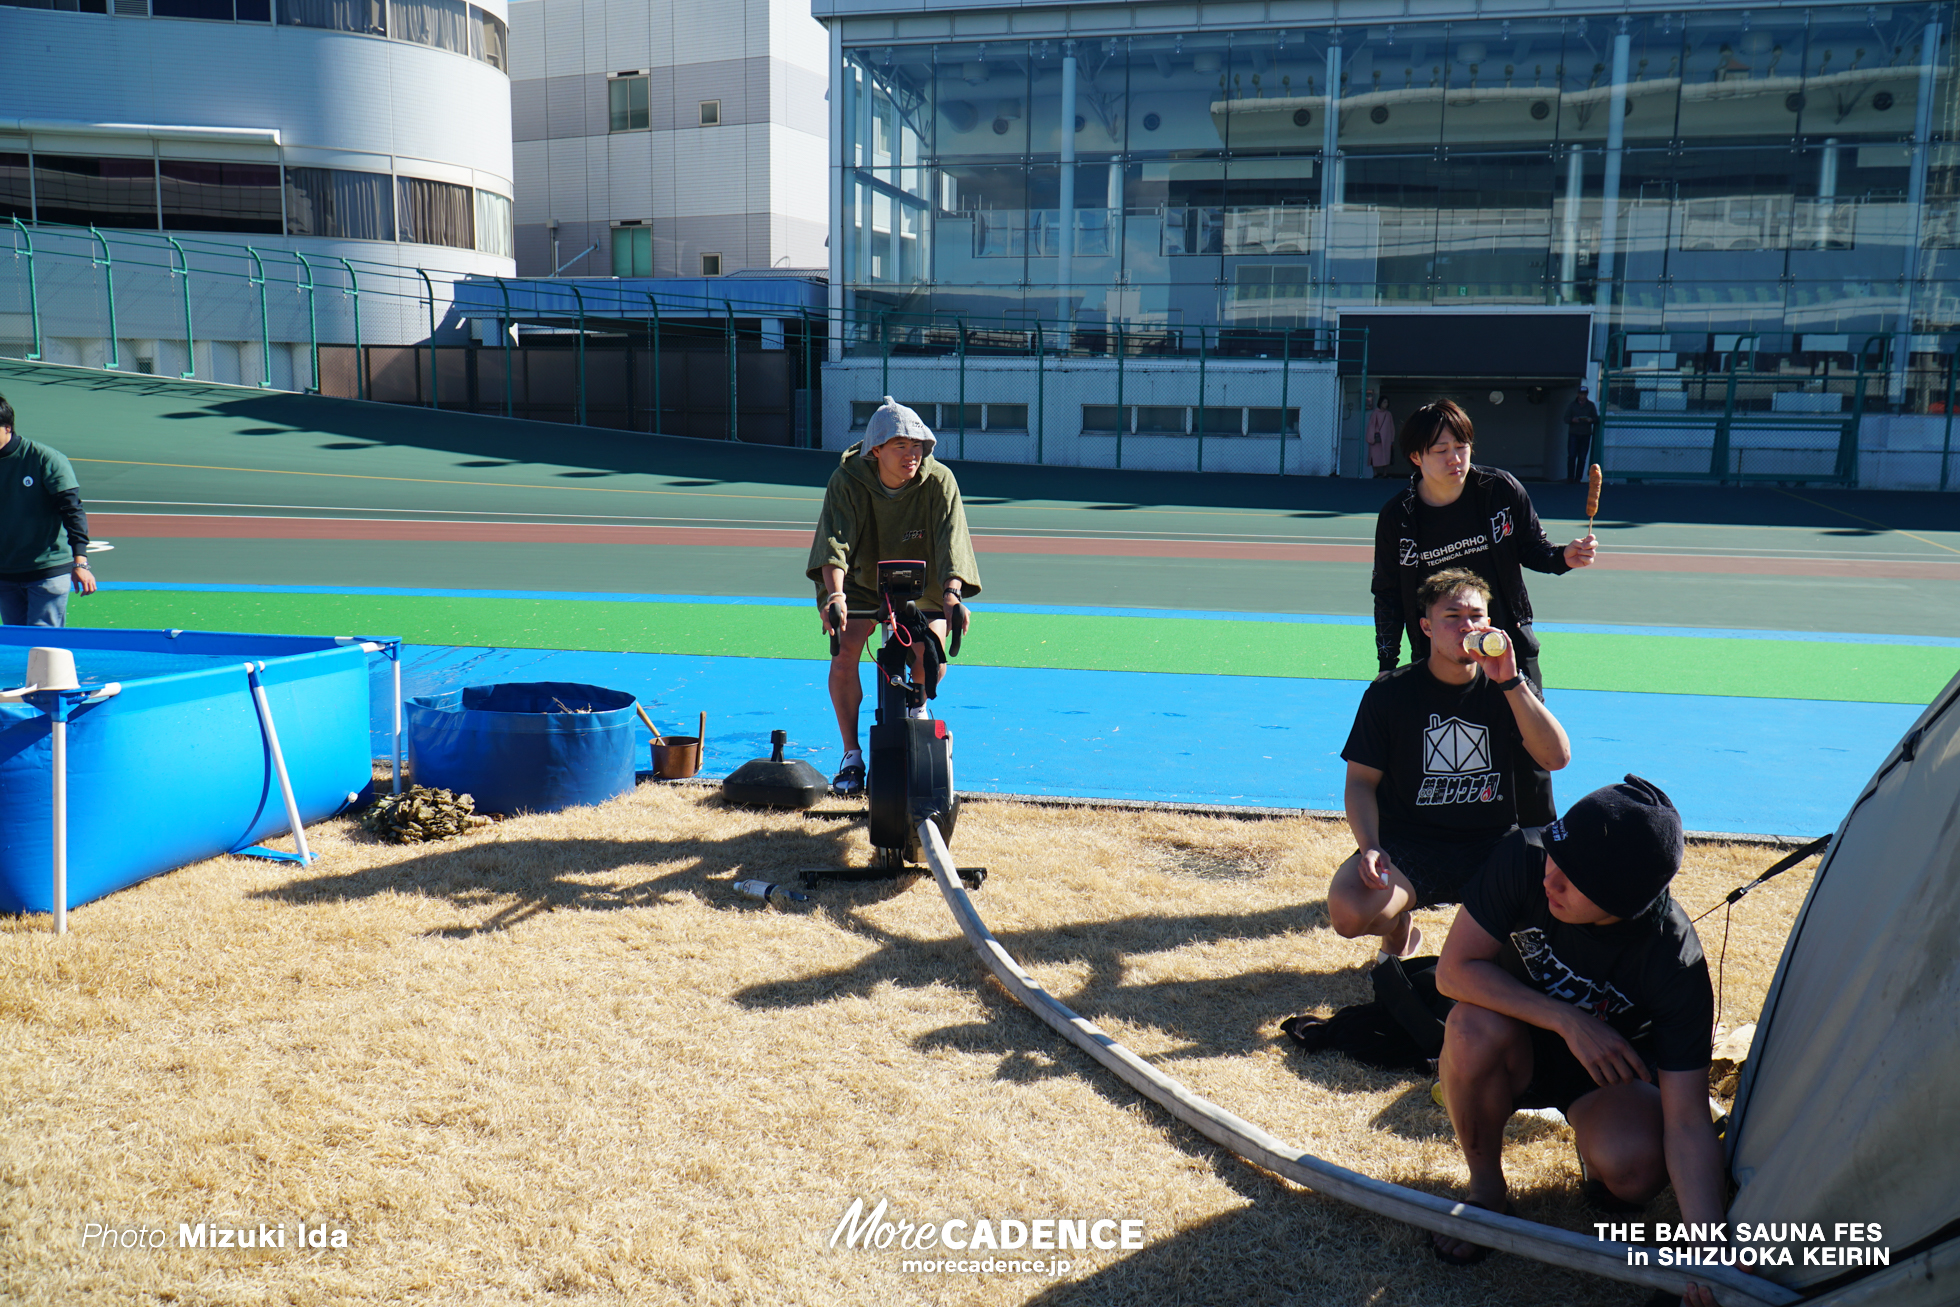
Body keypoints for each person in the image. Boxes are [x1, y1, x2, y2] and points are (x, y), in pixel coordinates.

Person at [1428, 776, 1726, 1276]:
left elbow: (1689, 1120)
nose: (1550, 879)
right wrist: (1567, 1019)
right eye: (1553, 854)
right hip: (1510, 1040)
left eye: (1574, 878)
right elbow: (1452, 971)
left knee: (1634, 1167)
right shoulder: (1522, 858)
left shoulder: (1674, 961)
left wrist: (1711, 1254)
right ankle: (1487, 1192)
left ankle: (1595, 1155)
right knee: (1468, 1028)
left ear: (1622, 901)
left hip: (1607, 1079)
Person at [1371, 399, 1596, 824]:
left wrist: (1565, 556)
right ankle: (1447, 845)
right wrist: (1388, 663)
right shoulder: (1398, 517)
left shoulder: (1499, 490)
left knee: (1529, 750)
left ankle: (1538, 854)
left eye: (1462, 446)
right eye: (1441, 450)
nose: (1455, 458)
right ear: (1416, 457)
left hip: (1507, 646)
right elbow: (1386, 592)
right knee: (1448, 752)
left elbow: (1533, 548)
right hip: (1438, 657)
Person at [1330, 568, 1571, 962]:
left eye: (1476, 616)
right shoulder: (1389, 693)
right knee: (1350, 912)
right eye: (1452, 617)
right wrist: (1370, 847)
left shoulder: (1509, 686)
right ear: (1426, 626)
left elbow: (1556, 758)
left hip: (1494, 844)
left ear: (1490, 624)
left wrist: (1511, 682)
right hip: (1412, 842)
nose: (1467, 626)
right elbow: (1359, 782)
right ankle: (1398, 936)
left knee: (1545, 921)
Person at [807, 397, 980, 797]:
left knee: (931, 655)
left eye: (917, 445)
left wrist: (953, 594)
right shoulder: (847, 481)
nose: (911, 454)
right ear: (877, 450)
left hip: (924, 584)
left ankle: (918, 710)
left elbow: (953, 542)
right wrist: (834, 595)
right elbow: (835, 543)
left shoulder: (939, 481)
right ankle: (851, 755)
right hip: (861, 583)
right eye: (900, 446)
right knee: (844, 654)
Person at [0, 392, 96, 627]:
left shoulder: (45, 459)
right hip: (5, 574)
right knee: (17, 645)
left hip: (47, 570)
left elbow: (72, 510)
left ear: (8, 427)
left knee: (44, 645)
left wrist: (80, 563)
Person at [1563, 385, 1600, 483]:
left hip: (1585, 434)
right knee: (1572, 456)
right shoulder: (1572, 405)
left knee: (1582, 457)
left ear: (1586, 394)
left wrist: (1591, 420)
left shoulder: (1591, 405)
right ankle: (1570, 477)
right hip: (1574, 434)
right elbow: (1566, 418)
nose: (1582, 396)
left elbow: (1596, 419)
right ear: (1578, 394)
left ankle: (1578, 478)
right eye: (1581, 394)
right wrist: (1572, 420)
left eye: (1584, 394)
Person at [1365, 392, 1396, 477]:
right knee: (1374, 456)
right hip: (1376, 439)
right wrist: (1371, 438)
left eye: (1387, 402)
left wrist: (1392, 439)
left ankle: (1384, 473)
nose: (1386, 404)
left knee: (1386, 456)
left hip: (1386, 439)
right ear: (1380, 403)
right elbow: (1371, 425)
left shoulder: (1388, 414)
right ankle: (1375, 473)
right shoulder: (1375, 413)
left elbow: (1391, 427)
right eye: (1384, 402)